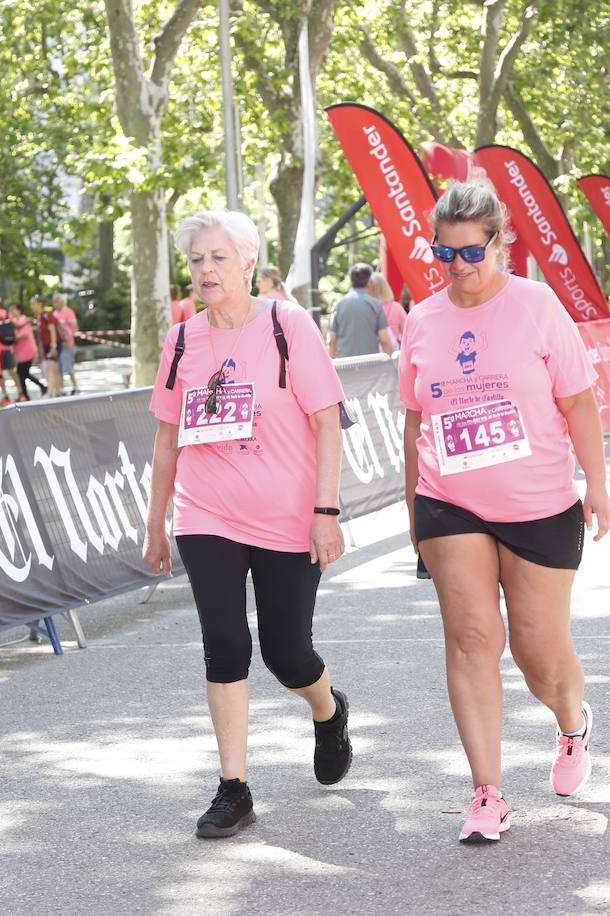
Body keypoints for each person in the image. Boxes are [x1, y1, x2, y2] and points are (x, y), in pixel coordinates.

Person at [400, 180, 610, 844]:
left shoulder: (538, 306)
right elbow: (415, 422)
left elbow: (578, 401)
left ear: (500, 243)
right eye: (444, 254)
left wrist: (598, 485)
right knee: (470, 642)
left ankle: (572, 725)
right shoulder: (423, 319)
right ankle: (487, 793)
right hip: (450, 501)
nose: (458, 268)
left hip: (538, 504)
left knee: (539, 656)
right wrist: (414, 510)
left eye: (472, 253)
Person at [143, 209, 352, 840]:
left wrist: (326, 512)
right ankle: (233, 787)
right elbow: (165, 441)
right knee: (226, 644)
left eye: (219, 258)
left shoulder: (289, 326)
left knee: (286, 653)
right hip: (207, 514)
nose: (207, 270)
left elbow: (325, 423)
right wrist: (158, 523)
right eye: (198, 259)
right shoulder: (183, 340)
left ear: (248, 263)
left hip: (288, 515)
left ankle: (328, 708)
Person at [327, 263, 393, 358]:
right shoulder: (376, 305)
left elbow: (331, 340)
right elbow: (384, 340)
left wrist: (332, 363)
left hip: (344, 364)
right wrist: (392, 363)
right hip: (370, 364)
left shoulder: (338, 305)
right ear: (369, 282)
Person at [8, 301, 47, 400]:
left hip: (28, 351)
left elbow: (24, 335)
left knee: (22, 373)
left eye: (13, 309)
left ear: (19, 310)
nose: (11, 312)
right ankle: (27, 394)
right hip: (21, 352)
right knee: (22, 373)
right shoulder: (14, 322)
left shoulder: (24, 319)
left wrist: (13, 338)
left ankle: (28, 393)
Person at [32, 295, 64, 396]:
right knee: (53, 369)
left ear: (40, 304)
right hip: (47, 345)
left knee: (50, 368)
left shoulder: (47, 315)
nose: (32, 306)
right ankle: (58, 391)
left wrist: (53, 346)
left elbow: (52, 331)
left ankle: (50, 392)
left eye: (33, 303)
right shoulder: (40, 317)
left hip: (53, 344)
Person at [367, 272, 407, 350]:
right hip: (394, 350)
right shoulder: (396, 307)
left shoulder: (367, 308)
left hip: (372, 353)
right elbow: (406, 333)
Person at [52, 293, 80, 395]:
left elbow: (74, 327)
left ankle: (75, 386)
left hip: (68, 344)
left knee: (69, 366)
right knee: (59, 367)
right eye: (54, 301)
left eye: (57, 301)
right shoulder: (54, 314)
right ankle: (62, 388)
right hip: (58, 345)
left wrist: (69, 339)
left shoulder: (68, 312)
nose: (55, 304)